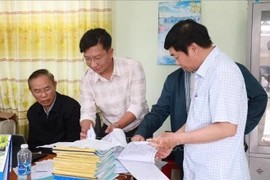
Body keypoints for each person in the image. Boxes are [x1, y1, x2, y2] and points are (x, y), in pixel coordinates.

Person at [137, 19, 257, 179]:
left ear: (193, 48)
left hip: (218, 172)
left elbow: (227, 128)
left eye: (177, 56)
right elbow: (198, 118)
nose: (177, 62)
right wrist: (172, 140)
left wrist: (176, 138)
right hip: (201, 169)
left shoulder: (223, 72)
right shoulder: (204, 72)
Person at [79, 28, 148, 141]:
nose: (93, 64)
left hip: (138, 127)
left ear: (110, 52)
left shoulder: (132, 67)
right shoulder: (87, 79)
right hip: (109, 129)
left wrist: (118, 125)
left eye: (97, 58)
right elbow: (87, 111)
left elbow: (137, 105)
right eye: (87, 59)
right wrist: (86, 130)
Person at [27, 69, 81, 152]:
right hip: (42, 158)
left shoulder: (71, 107)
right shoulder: (32, 111)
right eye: (37, 91)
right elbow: (33, 144)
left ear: (55, 85)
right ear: (31, 91)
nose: (44, 95)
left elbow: (73, 142)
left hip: (66, 156)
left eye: (47, 89)